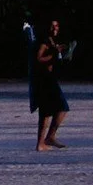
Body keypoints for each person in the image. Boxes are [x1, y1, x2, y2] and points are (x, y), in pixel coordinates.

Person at [29, 18, 70, 151]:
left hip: (46, 78)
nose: (55, 29)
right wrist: (54, 54)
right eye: (52, 26)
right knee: (61, 107)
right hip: (45, 79)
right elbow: (39, 59)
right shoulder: (44, 41)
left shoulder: (50, 41)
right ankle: (48, 138)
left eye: (57, 26)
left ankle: (43, 141)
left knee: (46, 111)